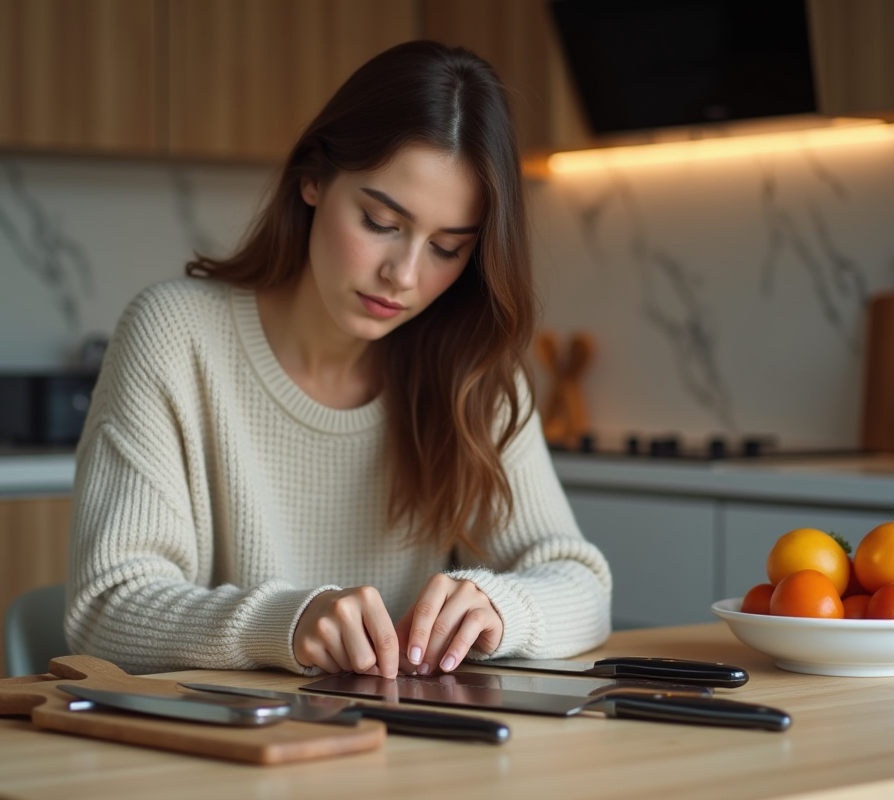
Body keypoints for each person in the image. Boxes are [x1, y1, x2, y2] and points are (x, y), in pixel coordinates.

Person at [65, 40, 612, 680]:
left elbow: (581, 584)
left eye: (447, 247)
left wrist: (501, 605)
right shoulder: (175, 334)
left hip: (414, 758)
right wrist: (290, 623)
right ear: (314, 179)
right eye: (381, 221)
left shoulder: (474, 369)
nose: (403, 275)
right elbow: (106, 607)